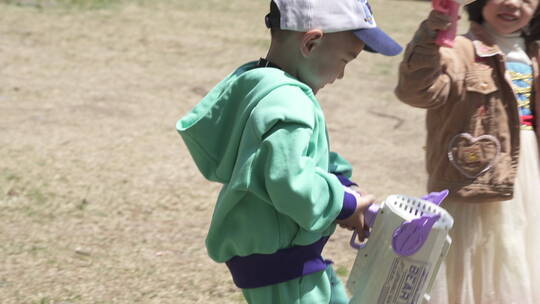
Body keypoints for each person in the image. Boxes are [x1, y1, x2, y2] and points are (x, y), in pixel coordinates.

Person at [176, 0, 402, 303]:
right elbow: (288, 180)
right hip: (285, 266)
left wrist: (342, 187)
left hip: (286, 261)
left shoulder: (258, 82)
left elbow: (297, 160)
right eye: (346, 60)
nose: (342, 74)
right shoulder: (290, 103)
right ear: (310, 42)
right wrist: (344, 204)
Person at [394, 0, 540, 303]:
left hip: (527, 171)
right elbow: (418, 91)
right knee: (473, 254)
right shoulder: (461, 48)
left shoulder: (534, 52)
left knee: (518, 249)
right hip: (473, 180)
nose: (512, 4)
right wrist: (429, 38)